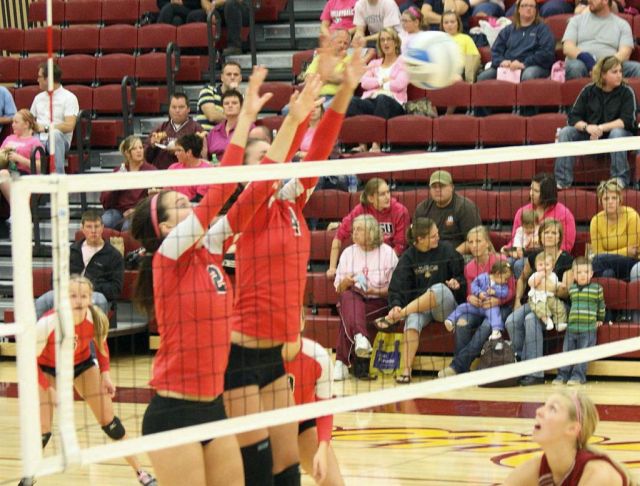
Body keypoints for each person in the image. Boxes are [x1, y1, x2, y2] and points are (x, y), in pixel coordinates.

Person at [130, 66, 324, 485]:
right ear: (165, 227)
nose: (188, 204)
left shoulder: (212, 249)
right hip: (174, 412)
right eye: (179, 205)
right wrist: (245, 123)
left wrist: (295, 122)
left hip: (213, 407)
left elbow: (255, 191)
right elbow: (219, 191)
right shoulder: (168, 256)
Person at [222, 48, 366, 485]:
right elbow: (275, 164)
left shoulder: (291, 205)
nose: (276, 159)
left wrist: (343, 88)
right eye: (263, 156)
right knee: (256, 473)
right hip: (242, 357)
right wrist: (300, 110)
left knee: (287, 472)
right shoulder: (246, 211)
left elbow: (318, 149)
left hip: (278, 357)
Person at [33, 275, 157, 486]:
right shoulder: (48, 323)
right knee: (43, 432)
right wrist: (49, 389)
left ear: (90, 299)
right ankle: (28, 477)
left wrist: (105, 374)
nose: (79, 301)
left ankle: (141, 473)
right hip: (47, 369)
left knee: (111, 423)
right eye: (73, 296)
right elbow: (30, 360)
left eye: (83, 296)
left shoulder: (94, 317)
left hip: (81, 364)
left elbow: (101, 343)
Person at [380, 217, 466, 383]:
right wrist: (395, 305)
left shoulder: (447, 250)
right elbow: (397, 287)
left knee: (439, 288)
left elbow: (461, 276)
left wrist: (457, 283)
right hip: (420, 309)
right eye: (433, 236)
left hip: (446, 309)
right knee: (412, 319)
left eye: (437, 234)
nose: (438, 237)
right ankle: (406, 371)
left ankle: (402, 313)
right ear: (420, 239)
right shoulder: (408, 258)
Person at [504, 390, 633, 486]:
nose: (539, 411)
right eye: (544, 405)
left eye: (552, 409)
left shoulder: (600, 474)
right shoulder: (535, 469)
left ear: (573, 428)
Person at [438, 226, 514, 378]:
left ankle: (457, 367)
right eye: (471, 242)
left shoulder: (501, 261)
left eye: (478, 241)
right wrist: (470, 298)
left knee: (486, 326)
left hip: (500, 307)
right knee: (461, 323)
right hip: (478, 307)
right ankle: (462, 371)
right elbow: (469, 293)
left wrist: (497, 301)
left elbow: (512, 291)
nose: (474, 245)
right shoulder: (469, 267)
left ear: (487, 243)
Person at [505, 219, 573, 386]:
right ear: (540, 236)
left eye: (553, 232)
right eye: (546, 232)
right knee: (511, 321)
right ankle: (520, 362)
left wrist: (548, 287)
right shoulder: (534, 256)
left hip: (558, 305)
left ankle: (536, 373)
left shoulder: (566, 259)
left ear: (559, 237)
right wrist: (517, 301)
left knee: (530, 320)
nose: (549, 235)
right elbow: (522, 279)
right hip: (536, 301)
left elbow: (566, 291)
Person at [555, 57, 637, 190]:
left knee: (617, 133)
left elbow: (627, 120)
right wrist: (587, 127)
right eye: (614, 72)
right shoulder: (588, 90)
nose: (619, 75)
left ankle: (619, 179)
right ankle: (562, 181)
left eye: (620, 71)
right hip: (590, 134)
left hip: (619, 135)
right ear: (603, 74)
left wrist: (600, 128)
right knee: (566, 132)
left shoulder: (627, 92)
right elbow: (573, 118)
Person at [333, 214, 398, 381]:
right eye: (353, 229)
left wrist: (374, 290)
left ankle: (341, 362)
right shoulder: (348, 252)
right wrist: (346, 282)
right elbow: (339, 289)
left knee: (349, 315)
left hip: (378, 302)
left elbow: (395, 290)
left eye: (359, 229)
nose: (354, 233)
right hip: (352, 299)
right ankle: (360, 337)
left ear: (372, 232)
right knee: (349, 295)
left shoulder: (388, 253)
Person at [282, 325, 345, 486]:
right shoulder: (261, 357)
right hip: (267, 429)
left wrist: (322, 449)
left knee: (334, 483)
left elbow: (324, 410)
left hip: (303, 425)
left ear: (302, 321)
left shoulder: (318, 356)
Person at [35, 210, 124, 319]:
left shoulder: (114, 255)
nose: (93, 231)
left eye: (96, 226)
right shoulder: (71, 250)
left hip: (94, 293)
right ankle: (40, 330)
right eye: (89, 227)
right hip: (68, 292)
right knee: (42, 302)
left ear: (102, 228)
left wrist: (88, 286)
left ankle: (96, 330)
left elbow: (115, 289)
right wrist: (70, 287)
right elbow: (55, 278)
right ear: (82, 228)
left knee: (99, 300)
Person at [327, 178, 409, 279]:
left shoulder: (400, 211)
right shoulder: (361, 209)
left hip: (389, 259)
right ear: (371, 198)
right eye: (382, 194)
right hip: (365, 257)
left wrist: (381, 261)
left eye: (388, 192)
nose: (387, 197)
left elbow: (400, 246)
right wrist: (332, 267)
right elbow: (338, 237)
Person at [347, 28, 408, 152]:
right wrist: (381, 81)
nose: (385, 43)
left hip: (394, 103)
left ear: (396, 43)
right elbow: (364, 83)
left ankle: (376, 144)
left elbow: (399, 84)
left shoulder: (403, 63)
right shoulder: (374, 63)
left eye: (389, 39)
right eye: (382, 40)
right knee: (352, 101)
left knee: (382, 99)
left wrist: (378, 85)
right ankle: (362, 145)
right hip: (372, 100)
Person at [553, 257, 605, 386]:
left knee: (583, 354)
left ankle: (578, 376)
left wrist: (600, 319)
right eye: (579, 272)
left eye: (586, 272)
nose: (582, 275)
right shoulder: (572, 289)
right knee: (567, 353)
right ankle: (562, 375)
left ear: (591, 274)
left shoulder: (597, 289)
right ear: (574, 275)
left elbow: (601, 306)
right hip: (572, 328)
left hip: (588, 329)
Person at [509, 173, 576, 270]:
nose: (531, 193)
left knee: (520, 264)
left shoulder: (564, 214)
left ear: (547, 194)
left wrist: (539, 248)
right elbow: (515, 238)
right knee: (506, 262)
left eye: (536, 191)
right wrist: (510, 250)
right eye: (531, 189)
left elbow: (566, 245)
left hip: (549, 257)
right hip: (522, 253)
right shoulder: (522, 212)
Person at [477, 0, 555, 82]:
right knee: (483, 77)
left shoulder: (543, 29)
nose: (528, 8)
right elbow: (496, 50)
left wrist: (524, 64)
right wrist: (501, 61)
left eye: (532, 6)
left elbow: (546, 53)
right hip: (508, 67)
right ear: (518, 9)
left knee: (528, 74)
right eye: (525, 5)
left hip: (532, 66)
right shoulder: (508, 30)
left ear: (536, 10)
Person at [562, 0, 640, 80]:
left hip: (612, 65)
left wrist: (604, 66)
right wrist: (587, 59)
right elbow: (567, 47)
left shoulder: (622, 24)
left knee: (637, 69)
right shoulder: (576, 20)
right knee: (575, 67)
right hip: (583, 63)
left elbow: (625, 53)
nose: (589, 1)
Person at [413, 170, 482, 255]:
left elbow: (474, 240)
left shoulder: (465, 207)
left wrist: (451, 256)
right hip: (428, 254)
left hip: (457, 255)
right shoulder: (422, 208)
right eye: (434, 187)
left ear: (452, 187)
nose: (437, 190)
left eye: (442, 186)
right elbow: (415, 238)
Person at [30, 63, 79, 174]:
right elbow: (31, 120)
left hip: (59, 139)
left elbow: (69, 126)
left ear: (48, 79)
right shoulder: (38, 98)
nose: (37, 80)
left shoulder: (69, 98)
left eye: (39, 77)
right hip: (38, 137)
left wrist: (46, 128)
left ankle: (58, 177)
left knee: (54, 135)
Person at [100, 135, 156, 231]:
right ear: (127, 153)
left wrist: (136, 210)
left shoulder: (151, 170)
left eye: (141, 147)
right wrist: (115, 185)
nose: (139, 151)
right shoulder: (119, 171)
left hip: (139, 211)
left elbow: (154, 199)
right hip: (118, 211)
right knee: (105, 222)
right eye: (134, 148)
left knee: (128, 227)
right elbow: (105, 201)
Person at [444, 261, 512, 340]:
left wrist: (495, 292)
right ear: (498, 274)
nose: (506, 281)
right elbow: (474, 285)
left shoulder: (503, 285)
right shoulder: (482, 277)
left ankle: (496, 330)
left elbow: (505, 293)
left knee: (495, 313)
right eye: (505, 279)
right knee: (462, 307)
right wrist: (479, 293)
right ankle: (450, 320)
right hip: (477, 306)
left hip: (490, 307)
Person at [589, 178, 640, 281]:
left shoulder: (631, 216)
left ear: (620, 200)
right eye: (606, 199)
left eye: (614, 198)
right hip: (605, 264)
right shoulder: (595, 221)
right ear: (600, 201)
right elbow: (598, 253)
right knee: (607, 273)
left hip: (630, 263)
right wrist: (625, 251)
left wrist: (606, 255)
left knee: (598, 260)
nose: (610, 202)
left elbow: (633, 252)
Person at [144, 92, 204, 170]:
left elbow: (202, 158)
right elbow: (147, 158)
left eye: (181, 107)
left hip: (187, 172)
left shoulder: (196, 129)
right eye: (174, 107)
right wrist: (152, 146)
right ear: (169, 109)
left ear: (188, 109)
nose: (177, 110)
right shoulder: (161, 128)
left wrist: (180, 149)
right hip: (162, 172)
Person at [0, 110, 44, 208]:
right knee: (3, 173)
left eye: (16, 122)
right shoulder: (9, 138)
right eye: (12, 122)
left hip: (25, 174)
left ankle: (18, 209)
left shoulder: (34, 142)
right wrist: (4, 154)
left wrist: (20, 159)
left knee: (3, 174)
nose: (13, 125)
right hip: (9, 171)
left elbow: (40, 167)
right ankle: (19, 208)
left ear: (26, 124)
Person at [303, 29, 352, 111]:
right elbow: (308, 79)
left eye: (345, 43)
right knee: (286, 110)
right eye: (339, 42)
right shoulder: (320, 58)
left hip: (337, 98)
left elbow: (343, 79)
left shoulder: (351, 60)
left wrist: (321, 75)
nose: (342, 45)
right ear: (332, 42)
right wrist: (332, 76)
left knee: (318, 110)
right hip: (315, 97)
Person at [196, 61, 243, 132]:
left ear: (240, 78)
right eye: (228, 74)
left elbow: (246, 122)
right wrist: (234, 119)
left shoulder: (242, 99)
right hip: (206, 136)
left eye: (236, 75)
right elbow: (212, 116)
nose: (232, 77)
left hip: (230, 137)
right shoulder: (208, 91)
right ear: (222, 77)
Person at [528, 252, 568, 331]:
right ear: (536, 267)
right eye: (540, 265)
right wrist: (540, 277)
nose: (543, 267)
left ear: (552, 267)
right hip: (537, 298)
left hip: (550, 297)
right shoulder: (535, 275)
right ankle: (547, 321)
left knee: (559, 307)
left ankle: (560, 323)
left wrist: (561, 285)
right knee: (541, 309)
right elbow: (531, 283)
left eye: (547, 265)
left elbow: (555, 284)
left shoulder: (553, 275)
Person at [167, 134, 214, 202]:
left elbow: (199, 199)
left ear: (189, 152)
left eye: (179, 150)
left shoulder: (206, 171)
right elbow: (165, 194)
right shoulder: (173, 168)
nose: (175, 153)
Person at [206, 89, 251, 160]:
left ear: (241, 107)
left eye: (234, 103)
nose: (230, 105)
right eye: (226, 103)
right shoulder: (213, 132)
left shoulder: (249, 128)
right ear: (222, 107)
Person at [441, 10, 480, 83]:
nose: (449, 25)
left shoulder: (466, 38)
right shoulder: (438, 39)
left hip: (459, 72)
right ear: (442, 25)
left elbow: (473, 58)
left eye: (452, 22)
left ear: (458, 23)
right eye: (446, 22)